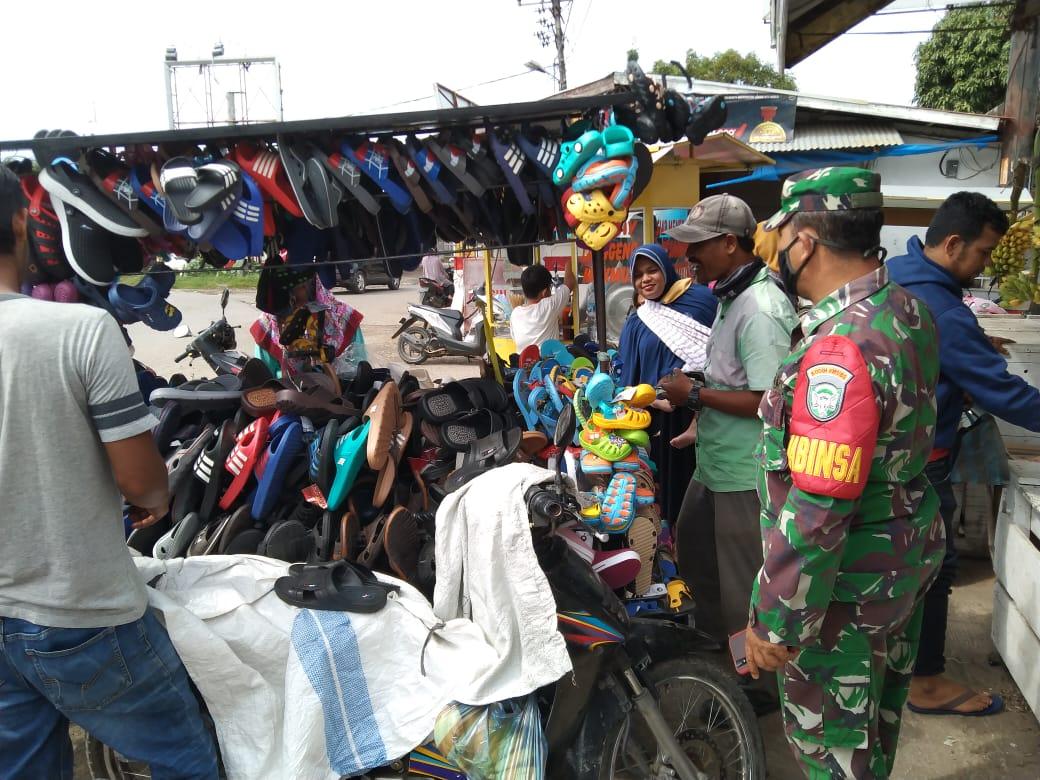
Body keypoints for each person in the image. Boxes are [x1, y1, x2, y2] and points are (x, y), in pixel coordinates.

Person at [0, 167, 219, 777]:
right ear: (22, 223)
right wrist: (149, 494)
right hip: (81, 615)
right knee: (187, 760)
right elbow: (144, 485)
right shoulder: (80, 330)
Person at [743, 167, 946, 779]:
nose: (776, 251)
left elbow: (819, 505)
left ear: (804, 239)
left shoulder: (840, 348)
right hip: (897, 568)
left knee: (833, 754)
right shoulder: (905, 310)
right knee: (872, 740)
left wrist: (773, 620)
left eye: (780, 236)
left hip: (840, 596)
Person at [888, 191, 1020, 718]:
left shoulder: (896, 273)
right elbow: (1003, 392)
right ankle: (926, 682)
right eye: (984, 254)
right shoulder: (942, 308)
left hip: (888, 454)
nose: (985, 264)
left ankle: (900, 663)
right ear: (953, 243)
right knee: (936, 568)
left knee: (900, 564)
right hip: (925, 457)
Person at [659, 193, 797, 647]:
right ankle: (718, 654)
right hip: (715, 463)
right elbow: (734, 378)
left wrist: (694, 393)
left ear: (730, 244)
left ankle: (748, 679)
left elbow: (766, 399)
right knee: (697, 556)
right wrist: (695, 392)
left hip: (745, 471)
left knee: (741, 583)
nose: (689, 256)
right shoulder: (729, 298)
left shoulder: (760, 308)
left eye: (697, 245)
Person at [618, 243, 718, 525]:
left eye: (652, 271)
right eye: (638, 275)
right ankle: (669, 548)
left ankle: (700, 552)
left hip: (705, 408)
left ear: (666, 269)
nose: (645, 279)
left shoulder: (701, 301)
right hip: (660, 416)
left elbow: (721, 352)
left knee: (701, 487)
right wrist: (650, 399)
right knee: (664, 490)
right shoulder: (637, 322)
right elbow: (627, 382)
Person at [509, 260, 576, 353]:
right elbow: (570, 282)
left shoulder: (515, 313)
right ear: (544, 292)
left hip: (522, 364)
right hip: (547, 365)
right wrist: (569, 262)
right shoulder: (548, 306)